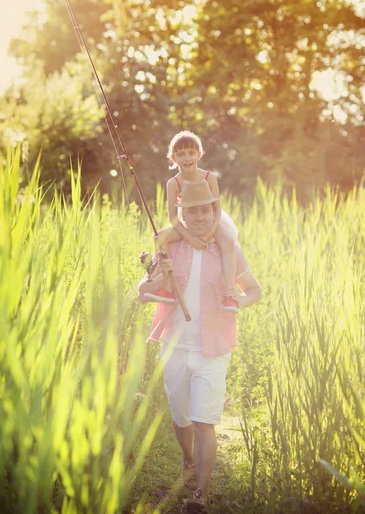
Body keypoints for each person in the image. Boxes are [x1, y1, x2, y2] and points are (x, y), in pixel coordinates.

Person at [138, 180, 262, 513]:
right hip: (175, 345)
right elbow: (142, 291)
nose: (200, 217)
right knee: (182, 420)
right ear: (183, 214)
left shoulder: (227, 250)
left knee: (204, 421)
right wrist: (157, 275)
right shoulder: (171, 248)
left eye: (205, 210)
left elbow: (254, 290)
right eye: (192, 211)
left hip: (214, 348)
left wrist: (238, 303)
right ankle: (188, 459)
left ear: (214, 211)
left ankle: (200, 495)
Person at [147, 130, 240, 313]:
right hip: (185, 220)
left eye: (191, 153)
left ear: (199, 154)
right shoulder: (174, 183)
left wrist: (211, 231)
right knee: (159, 237)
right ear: (173, 158)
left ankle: (230, 292)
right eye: (180, 154)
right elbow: (173, 217)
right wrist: (190, 237)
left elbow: (217, 209)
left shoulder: (209, 177)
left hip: (211, 218)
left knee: (227, 240)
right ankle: (163, 285)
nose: (186, 158)